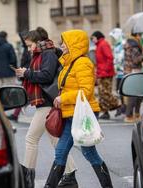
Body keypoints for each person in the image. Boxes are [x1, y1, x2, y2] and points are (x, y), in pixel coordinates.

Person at [44, 29, 113, 188]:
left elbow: (86, 91)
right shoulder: (69, 62)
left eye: (65, 42)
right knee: (61, 152)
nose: (62, 45)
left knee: (89, 153)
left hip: (83, 114)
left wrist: (64, 98)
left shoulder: (83, 63)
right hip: (70, 113)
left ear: (74, 44)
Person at [15, 29, 78, 188]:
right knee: (56, 141)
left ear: (37, 41)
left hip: (48, 101)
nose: (28, 49)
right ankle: (70, 175)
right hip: (47, 101)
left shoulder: (48, 54)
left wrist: (27, 73)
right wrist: (24, 73)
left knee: (31, 139)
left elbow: (46, 76)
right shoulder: (39, 54)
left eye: (30, 45)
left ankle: (28, 177)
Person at [91, 31, 119, 120]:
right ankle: (105, 112)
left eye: (93, 38)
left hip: (106, 74)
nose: (92, 40)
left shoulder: (103, 44)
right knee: (101, 93)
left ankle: (119, 105)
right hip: (101, 73)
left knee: (105, 93)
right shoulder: (99, 45)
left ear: (97, 37)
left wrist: (104, 70)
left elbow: (110, 58)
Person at [123, 31, 143, 123]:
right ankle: (129, 115)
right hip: (134, 71)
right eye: (140, 35)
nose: (141, 37)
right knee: (134, 94)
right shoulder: (134, 46)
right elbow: (136, 60)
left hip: (129, 71)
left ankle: (136, 114)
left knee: (138, 93)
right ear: (137, 35)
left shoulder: (130, 44)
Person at [7, 31, 31, 122]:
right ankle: (15, 114)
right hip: (26, 74)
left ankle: (15, 114)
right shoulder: (26, 48)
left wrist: (22, 71)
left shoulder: (27, 49)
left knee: (23, 96)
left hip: (27, 74)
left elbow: (27, 62)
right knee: (24, 96)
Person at [109, 28, 126, 117]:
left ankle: (123, 107)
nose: (113, 38)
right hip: (118, 72)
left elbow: (121, 57)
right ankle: (122, 106)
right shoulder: (117, 45)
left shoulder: (123, 44)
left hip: (123, 72)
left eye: (114, 36)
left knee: (122, 90)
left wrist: (116, 61)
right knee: (118, 90)